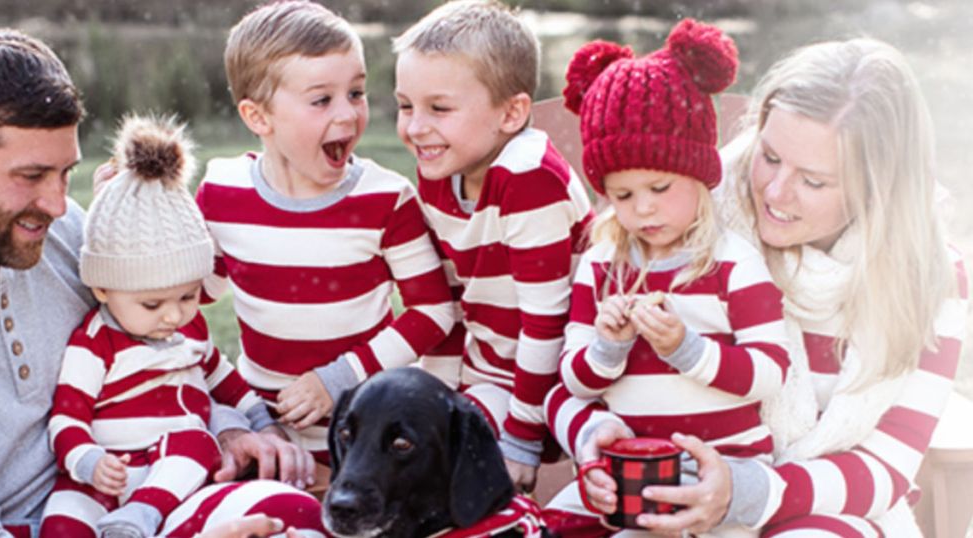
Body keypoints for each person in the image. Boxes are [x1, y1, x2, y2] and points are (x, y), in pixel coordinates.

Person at [576, 37, 969, 536]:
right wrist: (589, 433)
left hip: (827, 512)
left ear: (879, 189)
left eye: (815, 181)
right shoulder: (687, 222)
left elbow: (889, 466)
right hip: (671, 494)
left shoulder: (927, 278)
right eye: (770, 156)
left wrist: (747, 490)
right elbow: (585, 371)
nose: (775, 194)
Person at [0, 26, 320, 538]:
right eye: (31, 176)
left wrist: (228, 428)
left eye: (65, 173)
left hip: (145, 496)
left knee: (291, 515)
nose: (59, 204)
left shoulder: (67, 237)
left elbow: (161, 355)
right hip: (38, 524)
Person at [541, 19, 790, 537]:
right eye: (623, 195)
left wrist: (686, 348)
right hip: (628, 470)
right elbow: (574, 379)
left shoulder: (732, 262)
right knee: (550, 525)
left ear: (697, 175)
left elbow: (770, 371)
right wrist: (607, 348)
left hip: (720, 472)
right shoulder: (602, 263)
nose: (644, 209)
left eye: (659, 186)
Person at [196, 0, 455, 465]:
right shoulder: (222, 192)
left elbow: (434, 311)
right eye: (321, 100)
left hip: (369, 437)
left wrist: (340, 378)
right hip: (265, 434)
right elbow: (190, 299)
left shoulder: (385, 198)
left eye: (356, 93)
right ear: (259, 118)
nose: (349, 115)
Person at [39, 115, 301, 537]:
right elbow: (67, 416)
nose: (173, 316)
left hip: (170, 474)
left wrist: (263, 424)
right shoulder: (96, 342)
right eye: (152, 303)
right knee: (65, 512)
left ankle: (140, 518)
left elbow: (228, 382)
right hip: (106, 470)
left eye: (188, 296)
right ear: (103, 289)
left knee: (198, 443)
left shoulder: (190, 330)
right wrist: (86, 459)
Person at [392, 0, 595, 492]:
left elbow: (546, 319)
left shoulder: (528, 178)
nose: (416, 127)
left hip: (564, 381)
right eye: (405, 105)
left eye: (439, 108)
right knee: (403, 445)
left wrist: (523, 437)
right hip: (492, 374)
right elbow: (452, 302)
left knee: (452, 478)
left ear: (511, 113)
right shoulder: (440, 169)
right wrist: (434, 401)